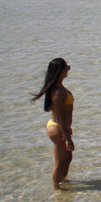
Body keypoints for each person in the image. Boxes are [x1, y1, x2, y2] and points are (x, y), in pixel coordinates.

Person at [32, 58, 75, 189]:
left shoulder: (59, 88)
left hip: (62, 128)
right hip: (57, 128)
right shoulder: (58, 93)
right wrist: (68, 139)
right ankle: (57, 189)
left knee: (67, 158)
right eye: (67, 68)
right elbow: (61, 118)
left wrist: (68, 131)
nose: (68, 70)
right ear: (61, 71)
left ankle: (63, 182)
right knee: (59, 162)